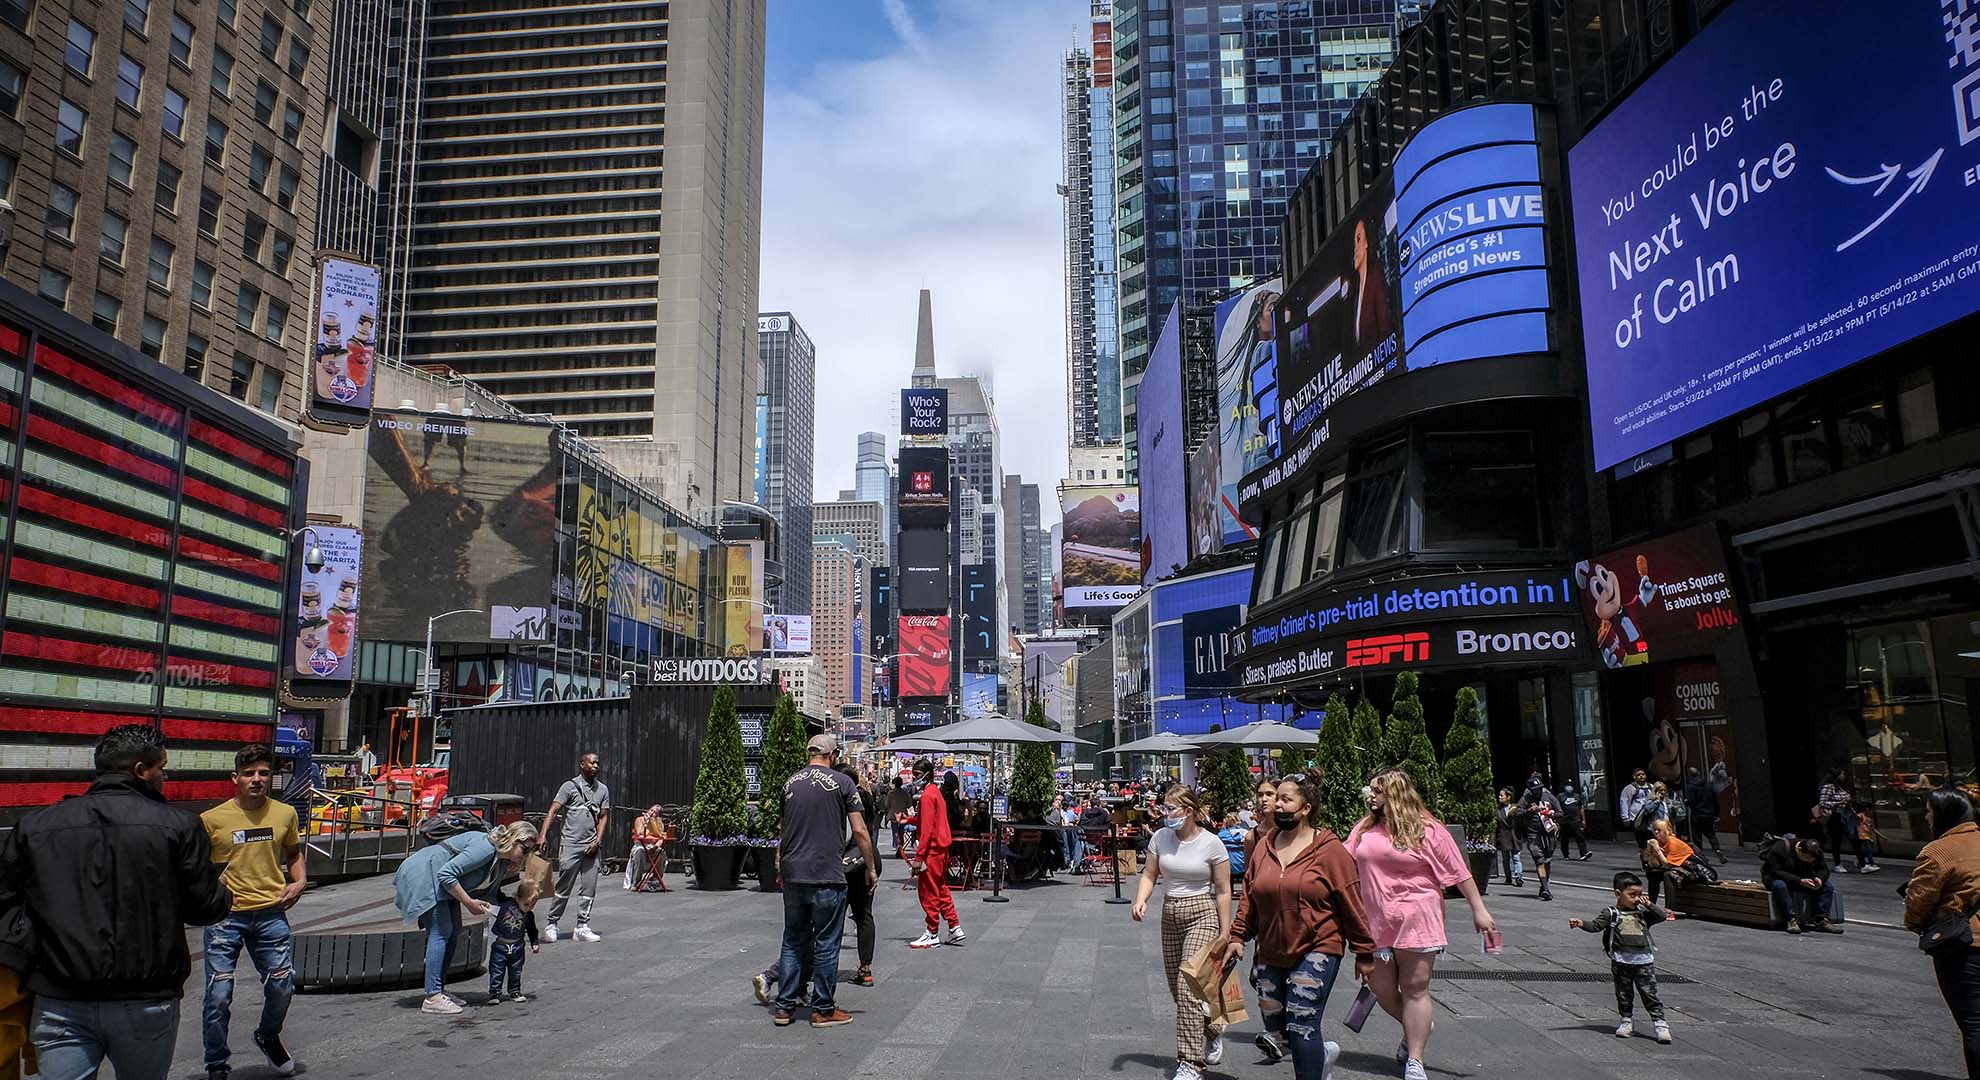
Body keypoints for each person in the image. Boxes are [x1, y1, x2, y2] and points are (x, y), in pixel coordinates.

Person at [0, 724, 232, 1080]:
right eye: (162, 768)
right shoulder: (178, 826)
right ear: (141, 770)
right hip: (145, 999)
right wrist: (222, 889)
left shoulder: (35, 826)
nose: (165, 777)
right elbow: (204, 909)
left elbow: (7, 903)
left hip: (60, 997)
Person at [1220, 773, 1374, 1079]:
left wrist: (1364, 952)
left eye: (1285, 799)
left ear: (1306, 809)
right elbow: (1251, 894)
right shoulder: (1264, 845)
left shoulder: (1329, 851)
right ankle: (1321, 1058)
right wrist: (1238, 936)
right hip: (1272, 948)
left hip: (1318, 945)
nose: (1276, 804)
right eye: (1276, 798)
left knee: (1303, 1021)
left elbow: (1351, 902)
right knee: (1274, 1019)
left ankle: (1311, 1068)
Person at [1346, 769, 1497, 1080]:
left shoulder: (1427, 829)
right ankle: (1417, 1026)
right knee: (1381, 987)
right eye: (1370, 790)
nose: (1370, 796)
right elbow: (1342, 861)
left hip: (1418, 918)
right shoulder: (1364, 828)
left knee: (1415, 989)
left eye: (1377, 791)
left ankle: (1415, 1058)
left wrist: (1478, 910)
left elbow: (1460, 871)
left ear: (1395, 793)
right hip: (1375, 920)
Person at [198, 744, 306, 1080]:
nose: (256, 779)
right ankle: (217, 1063)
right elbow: (198, 870)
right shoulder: (211, 820)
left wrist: (300, 881)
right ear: (235, 778)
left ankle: (268, 1034)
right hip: (225, 917)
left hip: (271, 913)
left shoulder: (285, 813)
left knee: (282, 984)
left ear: (270, 777)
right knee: (218, 993)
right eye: (248, 774)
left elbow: (293, 854)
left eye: (263, 773)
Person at [770, 736, 877, 1028]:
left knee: (793, 940)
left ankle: (784, 1007)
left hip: (794, 873)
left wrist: (780, 864)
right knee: (826, 942)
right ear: (832, 755)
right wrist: (870, 867)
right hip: (827, 873)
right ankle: (823, 1009)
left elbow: (784, 829)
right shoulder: (843, 784)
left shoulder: (790, 784)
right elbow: (860, 831)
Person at [1131, 785, 1233, 1080]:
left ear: (1188, 811)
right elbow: (1149, 874)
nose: (1165, 814)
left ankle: (1190, 1063)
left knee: (1189, 985)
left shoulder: (1212, 843)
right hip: (1170, 912)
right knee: (1180, 992)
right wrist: (1141, 899)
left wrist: (1225, 932)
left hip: (1202, 912)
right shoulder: (1160, 838)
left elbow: (1224, 890)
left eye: (1170, 809)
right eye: (1163, 807)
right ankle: (1214, 1028)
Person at [393, 820, 538, 1015]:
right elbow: (445, 874)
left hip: (439, 881)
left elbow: (490, 894)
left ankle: (439, 991)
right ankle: (432, 996)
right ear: (514, 840)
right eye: (525, 849)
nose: (526, 855)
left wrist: (514, 910)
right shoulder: (486, 847)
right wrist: (469, 903)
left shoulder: (501, 860)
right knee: (441, 931)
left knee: (453, 932)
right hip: (424, 874)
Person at [1905, 789, 1980, 1077]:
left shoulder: (1939, 850)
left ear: (1943, 814)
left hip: (1964, 945)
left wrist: (1916, 925)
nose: (1925, 817)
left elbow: (1918, 900)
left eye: (1929, 811)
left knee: (1973, 1022)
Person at [1569, 871, 1672, 1044]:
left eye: (1639, 894)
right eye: (1632, 895)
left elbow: (1662, 916)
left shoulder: (1643, 914)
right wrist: (1580, 923)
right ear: (1618, 894)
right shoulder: (1611, 913)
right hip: (1621, 961)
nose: (1637, 898)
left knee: (1650, 994)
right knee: (1624, 994)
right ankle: (1626, 1022)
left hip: (1643, 961)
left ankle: (1660, 1024)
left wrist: (1650, 905)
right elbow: (1595, 926)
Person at [539, 752, 609, 943]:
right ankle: (552, 923)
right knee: (563, 886)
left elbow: (603, 817)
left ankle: (582, 926)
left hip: (591, 846)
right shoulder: (569, 787)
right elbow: (553, 810)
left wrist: (597, 841)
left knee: (589, 887)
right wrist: (543, 835)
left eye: (598, 763)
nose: (595, 766)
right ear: (582, 764)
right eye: (592, 763)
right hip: (570, 845)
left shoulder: (602, 790)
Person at [909, 757, 964, 949]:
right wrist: (909, 820)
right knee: (940, 888)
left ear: (926, 774)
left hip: (932, 850)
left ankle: (932, 932)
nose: (914, 778)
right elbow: (930, 821)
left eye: (916, 774)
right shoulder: (935, 793)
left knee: (928, 892)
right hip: (941, 848)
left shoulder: (926, 796)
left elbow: (927, 830)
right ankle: (954, 926)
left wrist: (918, 858)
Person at [838, 762, 881, 989]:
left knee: (835, 917)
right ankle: (866, 969)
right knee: (864, 914)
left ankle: (822, 966)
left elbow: (857, 830)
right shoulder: (865, 795)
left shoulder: (844, 798)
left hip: (848, 863)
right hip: (867, 857)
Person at [1760, 836, 1842, 935]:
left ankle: (1821, 919)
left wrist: (1819, 878)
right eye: (1807, 858)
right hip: (1777, 877)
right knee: (1780, 886)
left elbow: (1823, 869)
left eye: (1812, 860)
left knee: (1827, 886)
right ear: (1799, 850)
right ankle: (1791, 919)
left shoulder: (1815, 852)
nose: (1809, 861)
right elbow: (1776, 871)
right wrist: (1799, 881)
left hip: (1802, 877)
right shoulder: (1780, 848)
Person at [483, 881, 539, 1004]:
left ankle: (514, 991)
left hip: (517, 946)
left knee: (516, 970)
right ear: (517, 898)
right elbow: (496, 892)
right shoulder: (505, 905)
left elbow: (532, 930)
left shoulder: (529, 915)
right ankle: (494, 992)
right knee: (497, 969)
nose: (529, 908)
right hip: (500, 945)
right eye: (526, 904)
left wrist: (534, 942)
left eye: (532, 905)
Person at [1819, 770, 1881, 874]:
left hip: (1847, 815)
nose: (1844, 776)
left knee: (1855, 839)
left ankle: (1863, 864)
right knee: (1837, 841)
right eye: (1842, 774)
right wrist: (1839, 802)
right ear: (1836, 776)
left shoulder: (1842, 787)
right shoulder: (1828, 787)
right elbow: (1823, 803)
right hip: (1836, 815)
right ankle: (1837, 864)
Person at [1516, 776, 1562, 902]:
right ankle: (1546, 890)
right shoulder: (1526, 799)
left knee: (1547, 860)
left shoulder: (1549, 797)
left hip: (1549, 833)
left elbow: (1560, 812)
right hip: (1533, 834)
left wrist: (1551, 814)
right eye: (1535, 789)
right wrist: (1529, 810)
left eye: (1539, 788)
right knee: (1539, 860)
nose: (1537, 791)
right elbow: (1517, 812)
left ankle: (1544, 886)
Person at [1680, 767, 1727, 864]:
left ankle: (1701, 856)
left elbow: (1691, 801)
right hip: (1708, 814)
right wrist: (1716, 813)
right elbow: (1714, 800)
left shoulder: (1690, 787)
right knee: (1711, 834)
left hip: (1697, 814)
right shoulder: (1709, 785)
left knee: (1697, 837)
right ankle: (1718, 851)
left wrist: (1689, 804)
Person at [622, 804, 669, 892]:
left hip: (652, 846)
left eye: (655, 813)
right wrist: (646, 823)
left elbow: (661, 839)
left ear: (658, 816)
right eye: (651, 810)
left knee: (661, 852)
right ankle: (637, 881)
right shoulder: (639, 820)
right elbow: (640, 834)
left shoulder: (659, 824)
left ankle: (655, 879)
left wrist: (655, 847)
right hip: (640, 845)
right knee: (640, 851)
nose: (652, 813)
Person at [1493, 789, 1523, 887]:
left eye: (1502, 795)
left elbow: (1521, 820)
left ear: (1508, 797)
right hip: (1503, 837)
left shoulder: (1515, 808)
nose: (1500, 797)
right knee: (1505, 859)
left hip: (1514, 836)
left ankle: (1519, 877)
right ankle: (1508, 877)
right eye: (1499, 795)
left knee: (1516, 857)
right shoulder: (1498, 809)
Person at [1557, 779, 1592, 861]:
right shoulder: (1560, 796)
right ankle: (1565, 854)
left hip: (1575, 820)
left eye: (1571, 785)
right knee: (1565, 839)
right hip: (1564, 821)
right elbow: (1557, 807)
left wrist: (1583, 820)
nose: (1569, 787)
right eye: (1568, 785)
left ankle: (1583, 853)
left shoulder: (1577, 796)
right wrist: (1557, 820)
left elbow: (1581, 808)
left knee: (1580, 837)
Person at [886, 777, 913, 857]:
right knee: (901, 832)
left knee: (895, 832)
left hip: (893, 815)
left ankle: (897, 845)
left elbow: (887, 805)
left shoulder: (890, 793)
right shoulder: (905, 793)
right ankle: (900, 846)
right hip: (902, 816)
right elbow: (909, 804)